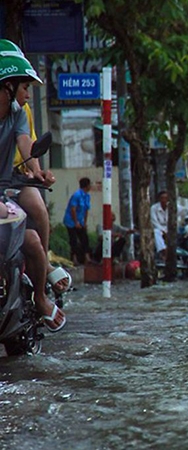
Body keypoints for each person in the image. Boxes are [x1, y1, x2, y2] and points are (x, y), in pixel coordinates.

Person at [0, 45, 65, 331]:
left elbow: (26, 144)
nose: (28, 94)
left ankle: (39, 296)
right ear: (7, 86)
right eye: (25, 87)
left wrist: (38, 172)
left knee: (34, 243)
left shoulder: (18, 113)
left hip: (5, 191)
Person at [63, 177, 93, 265]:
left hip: (80, 221)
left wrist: (84, 223)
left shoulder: (87, 196)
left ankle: (87, 257)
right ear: (86, 186)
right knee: (73, 240)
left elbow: (86, 210)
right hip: (71, 221)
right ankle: (74, 258)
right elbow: (73, 209)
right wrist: (75, 222)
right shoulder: (77, 195)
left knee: (84, 239)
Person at [151, 190, 170, 259]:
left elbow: (184, 210)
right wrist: (163, 231)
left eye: (165, 198)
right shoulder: (154, 208)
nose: (164, 200)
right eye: (162, 198)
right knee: (156, 232)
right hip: (159, 228)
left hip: (169, 228)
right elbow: (154, 222)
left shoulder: (171, 206)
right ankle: (163, 251)